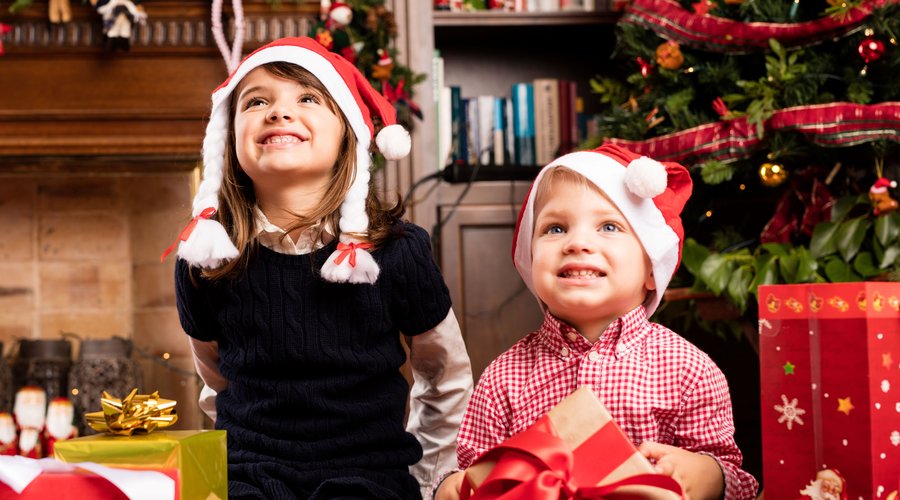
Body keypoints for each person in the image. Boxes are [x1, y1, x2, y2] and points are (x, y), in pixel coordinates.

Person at [167, 36, 473, 499]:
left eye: (307, 98)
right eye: (257, 101)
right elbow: (216, 378)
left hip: (368, 476)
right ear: (227, 139)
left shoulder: (397, 252)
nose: (278, 112)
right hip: (249, 474)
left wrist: (432, 475)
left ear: (347, 133)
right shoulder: (206, 260)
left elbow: (445, 375)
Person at [435, 145, 758, 499]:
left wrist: (709, 475)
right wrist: (451, 488)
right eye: (555, 229)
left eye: (609, 226)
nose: (578, 242)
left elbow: (736, 477)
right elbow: (472, 470)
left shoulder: (689, 371)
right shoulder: (504, 378)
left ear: (652, 267)